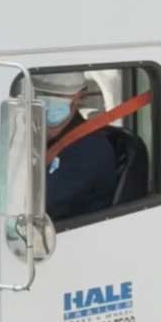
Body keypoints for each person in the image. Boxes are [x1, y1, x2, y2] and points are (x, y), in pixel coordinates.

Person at [36, 71, 120, 224]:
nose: (43, 111)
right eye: (37, 101)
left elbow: (36, 204)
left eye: (53, 100)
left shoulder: (91, 150)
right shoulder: (42, 137)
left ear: (78, 99)